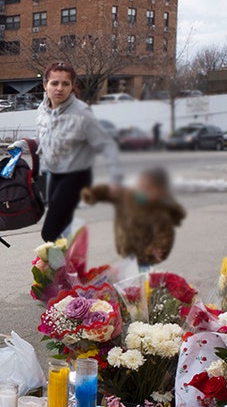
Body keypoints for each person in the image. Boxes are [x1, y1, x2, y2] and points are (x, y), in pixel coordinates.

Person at [35, 61, 122, 242]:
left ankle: (58, 263)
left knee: (50, 232)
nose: (59, 88)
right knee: (63, 227)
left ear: (72, 86)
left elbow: (106, 145)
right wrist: (21, 145)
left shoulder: (82, 113)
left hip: (76, 175)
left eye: (65, 84)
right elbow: (42, 140)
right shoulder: (42, 110)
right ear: (45, 85)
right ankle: (68, 265)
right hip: (54, 173)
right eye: (54, 83)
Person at [82, 167, 185, 267]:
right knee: (126, 273)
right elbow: (109, 192)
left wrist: (158, 249)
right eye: (141, 186)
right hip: (126, 248)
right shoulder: (128, 196)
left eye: (148, 189)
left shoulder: (159, 212)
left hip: (144, 255)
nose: (143, 191)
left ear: (160, 193)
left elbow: (165, 235)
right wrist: (93, 194)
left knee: (142, 279)